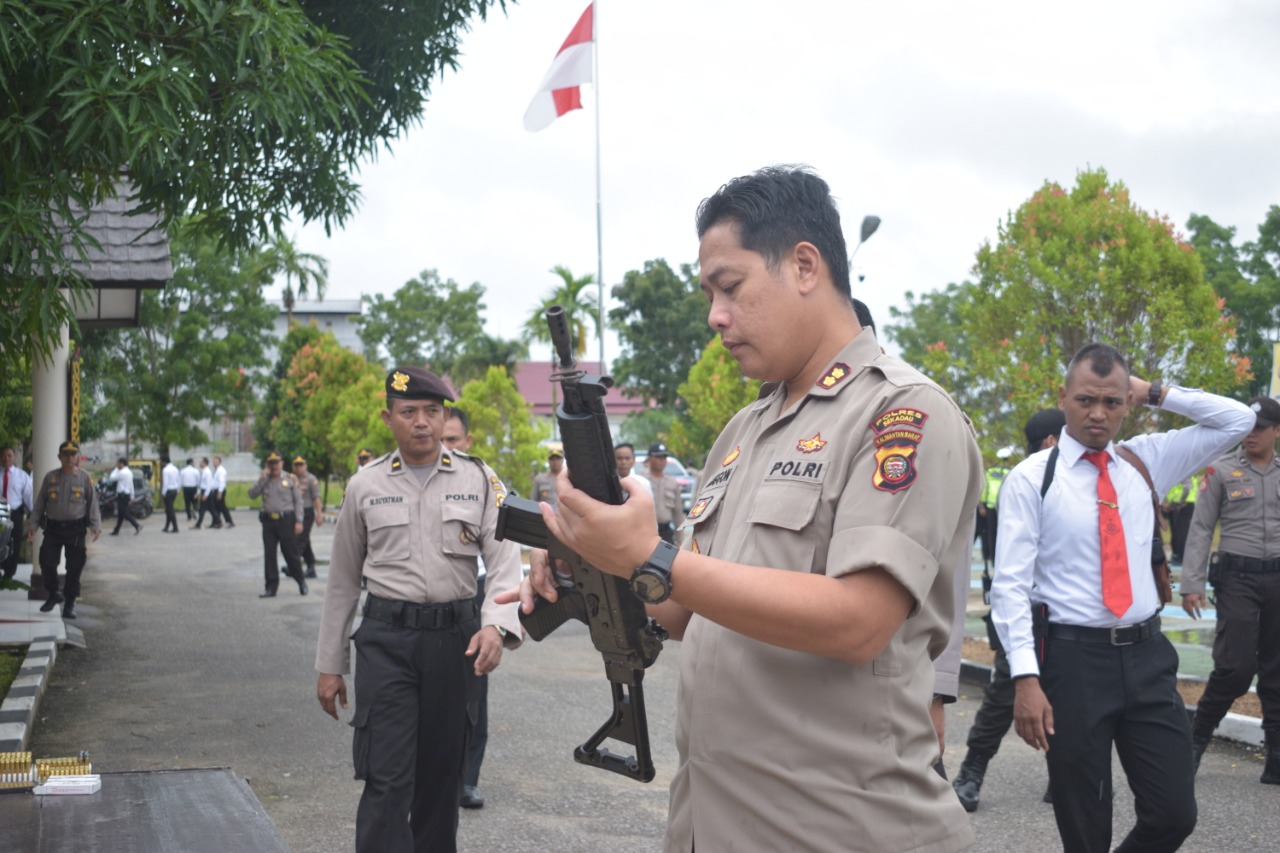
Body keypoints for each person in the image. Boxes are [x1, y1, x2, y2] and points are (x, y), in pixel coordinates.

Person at [503, 166, 982, 852]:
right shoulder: (743, 431)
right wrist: (590, 555)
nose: (715, 316)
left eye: (730, 287)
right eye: (709, 294)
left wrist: (649, 555)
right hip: (714, 824)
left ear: (805, 265)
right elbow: (676, 608)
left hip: (844, 831)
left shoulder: (900, 411)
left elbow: (858, 622)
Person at [991, 343, 1254, 853]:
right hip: (1071, 662)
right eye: (1087, 399)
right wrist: (1026, 677)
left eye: (1112, 402)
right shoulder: (1032, 479)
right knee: (1085, 827)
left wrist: (1155, 391)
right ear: (1064, 397)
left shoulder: (1146, 460)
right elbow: (1010, 587)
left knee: (1174, 813)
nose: (1098, 413)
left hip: (1147, 657)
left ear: (1127, 405)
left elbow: (1238, 420)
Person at [315, 366, 523, 853]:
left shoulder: (479, 478)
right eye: (409, 412)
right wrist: (330, 665)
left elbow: (505, 562)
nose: (423, 422)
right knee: (386, 777)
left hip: (457, 642)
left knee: (441, 779)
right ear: (388, 418)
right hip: (387, 641)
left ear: (445, 415)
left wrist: (496, 625)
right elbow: (343, 581)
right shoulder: (365, 485)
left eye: (433, 411)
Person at [952, 408, 1064, 812]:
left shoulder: (1079, 477)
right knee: (1004, 695)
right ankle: (971, 772)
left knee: (1074, 695)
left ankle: (1064, 776)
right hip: (1029, 609)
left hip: (1069, 613)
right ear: (1052, 441)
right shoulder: (1026, 480)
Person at [1181, 395, 1280, 782]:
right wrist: (1191, 583)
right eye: (1247, 427)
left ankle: (1275, 756)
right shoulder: (1220, 470)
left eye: (1260, 428)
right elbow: (1201, 528)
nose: (1251, 434)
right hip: (1237, 580)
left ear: (1276, 431)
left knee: (1276, 671)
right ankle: (1196, 741)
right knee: (1236, 667)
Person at [441, 408, 491, 810]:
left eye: (453, 440)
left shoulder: (484, 481)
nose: (445, 448)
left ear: (468, 442)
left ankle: (466, 781)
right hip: (423, 604)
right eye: (440, 439)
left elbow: (504, 554)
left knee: (474, 693)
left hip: (471, 595)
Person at [29, 441, 101, 618]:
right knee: (46, 561)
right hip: (53, 528)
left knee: (74, 567)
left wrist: (95, 525)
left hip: (75, 529)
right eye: (66, 454)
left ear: (77, 457)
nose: (69, 457)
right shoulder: (50, 477)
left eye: (73, 454)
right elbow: (40, 504)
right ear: (59, 457)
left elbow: (92, 503)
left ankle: (69, 604)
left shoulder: (84, 478)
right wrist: (32, 525)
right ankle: (54, 594)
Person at [247, 452, 307, 598]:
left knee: (291, 554)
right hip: (268, 522)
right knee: (269, 555)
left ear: (282, 463)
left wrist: (299, 521)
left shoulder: (290, 479)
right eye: (271, 463)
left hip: (286, 521)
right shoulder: (264, 479)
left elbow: (298, 501)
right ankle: (271, 587)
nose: (274, 465)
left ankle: (301, 581)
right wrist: (263, 478)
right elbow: (252, 494)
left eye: (276, 462)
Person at [641, 442, 683, 544]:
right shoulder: (642, 479)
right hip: (646, 532)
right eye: (658, 457)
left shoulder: (672, 482)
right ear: (650, 458)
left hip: (666, 532)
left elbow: (677, 512)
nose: (661, 461)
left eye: (664, 457)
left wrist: (679, 538)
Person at [1, 445, 33, 579]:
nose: (6, 458)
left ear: (14, 458)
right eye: (3, 455)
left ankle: (9, 573)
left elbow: (29, 497)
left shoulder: (22, 476)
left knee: (14, 543)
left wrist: (34, 518)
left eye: (9, 455)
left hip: (15, 514)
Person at [976, 450, 1011, 571]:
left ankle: (992, 558)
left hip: (990, 507)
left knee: (991, 534)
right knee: (1002, 534)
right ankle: (999, 559)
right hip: (1003, 508)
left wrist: (981, 506)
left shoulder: (989, 472)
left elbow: (984, 490)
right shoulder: (1010, 472)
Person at [292, 455, 323, 579]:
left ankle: (293, 565)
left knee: (300, 540)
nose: (298, 467)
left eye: (301, 465)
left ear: (305, 465)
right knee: (305, 542)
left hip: (307, 512)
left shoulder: (311, 479)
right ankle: (311, 567)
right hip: (296, 513)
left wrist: (319, 515)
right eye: (296, 465)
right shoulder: (292, 479)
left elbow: (316, 498)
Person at [1163, 472, 1199, 564]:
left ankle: (1181, 556)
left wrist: (1180, 502)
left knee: (1181, 532)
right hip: (1175, 503)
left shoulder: (1184, 470)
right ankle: (1177, 554)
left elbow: (1186, 487)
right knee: (1176, 531)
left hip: (1184, 503)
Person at [108, 457, 141, 536]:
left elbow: (112, 478)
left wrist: (116, 469)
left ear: (122, 463)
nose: (117, 465)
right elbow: (131, 484)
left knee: (124, 513)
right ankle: (116, 530)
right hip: (126, 494)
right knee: (121, 514)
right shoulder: (129, 472)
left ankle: (136, 525)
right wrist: (132, 495)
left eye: (118, 463)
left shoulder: (122, 472)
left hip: (122, 495)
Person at [210, 455, 234, 529]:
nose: (214, 463)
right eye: (214, 461)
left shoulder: (221, 471)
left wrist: (220, 492)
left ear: (220, 462)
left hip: (220, 490)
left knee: (222, 507)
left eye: (216, 461)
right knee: (217, 507)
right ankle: (216, 522)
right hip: (216, 490)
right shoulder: (217, 470)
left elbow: (222, 482)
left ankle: (229, 521)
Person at [192, 457, 214, 529]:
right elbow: (202, 484)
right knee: (210, 508)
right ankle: (218, 521)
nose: (199, 463)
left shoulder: (207, 472)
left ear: (204, 463)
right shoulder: (204, 471)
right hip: (204, 491)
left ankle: (198, 524)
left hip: (206, 492)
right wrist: (198, 492)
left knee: (202, 509)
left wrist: (205, 494)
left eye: (200, 462)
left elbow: (208, 484)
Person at [160, 455, 180, 534]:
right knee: (168, 509)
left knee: (170, 509)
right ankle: (167, 526)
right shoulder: (175, 468)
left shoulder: (165, 470)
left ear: (164, 461)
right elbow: (178, 480)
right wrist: (178, 490)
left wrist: (163, 493)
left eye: (161, 461)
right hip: (174, 490)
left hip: (168, 490)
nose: (160, 463)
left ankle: (175, 527)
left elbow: (166, 483)